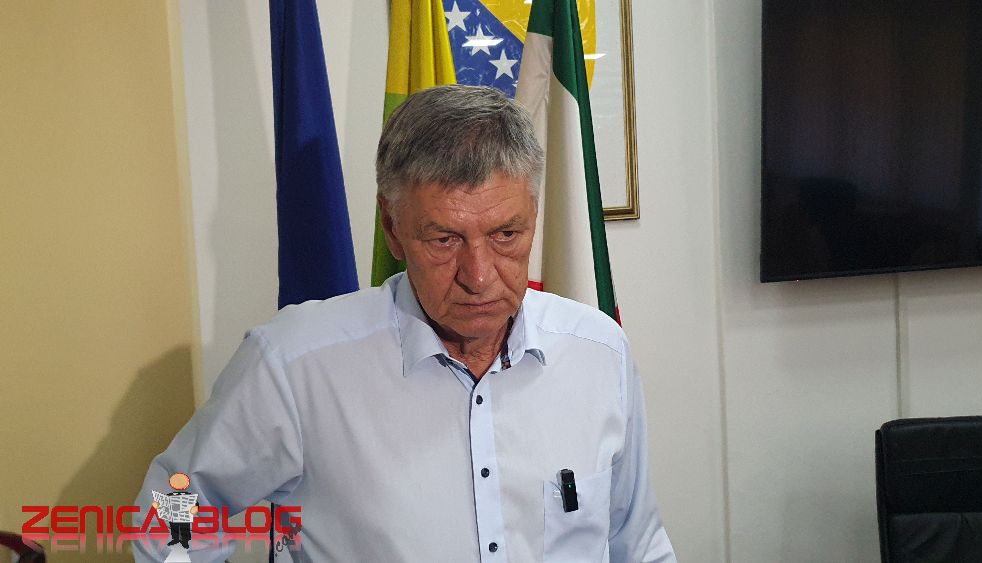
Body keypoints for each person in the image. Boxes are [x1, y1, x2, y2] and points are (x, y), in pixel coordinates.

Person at [133, 84, 676, 562]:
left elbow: (637, 543)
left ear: (533, 215)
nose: (479, 276)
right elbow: (169, 514)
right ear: (392, 228)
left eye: (506, 235)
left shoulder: (598, 353)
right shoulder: (294, 368)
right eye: (444, 239)